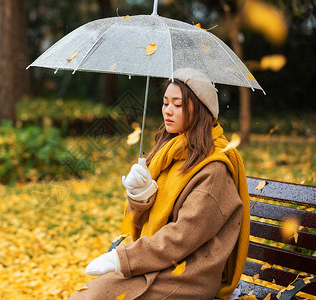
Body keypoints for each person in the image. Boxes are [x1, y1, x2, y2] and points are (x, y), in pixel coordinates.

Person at [68, 68, 250, 300]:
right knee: (85, 295)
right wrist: (140, 197)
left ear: (200, 110)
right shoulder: (169, 153)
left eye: (178, 104)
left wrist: (123, 259)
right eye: (165, 103)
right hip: (159, 264)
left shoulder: (213, 169)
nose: (168, 111)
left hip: (189, 275)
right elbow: (143, 221)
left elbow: (182, 236)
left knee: (93, 297)